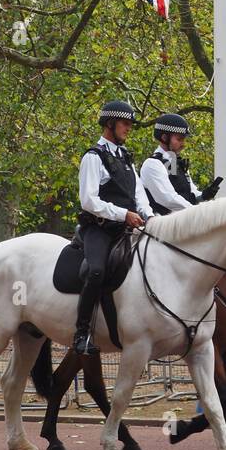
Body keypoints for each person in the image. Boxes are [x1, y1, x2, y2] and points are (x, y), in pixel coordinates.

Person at [73, 100, 153, 355]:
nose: (129, 128)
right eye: (125, 124)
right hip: (99, 229)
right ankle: (82, 333)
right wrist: (123, 214)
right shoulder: (93, 157)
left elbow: (138, 193)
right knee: (96, 271)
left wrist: (149, 217)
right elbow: (89, 200)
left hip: (126, 229)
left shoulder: (126, 158)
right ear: (110, 124)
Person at [140, 113, 222, 215]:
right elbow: (168, 199)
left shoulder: (177, 163)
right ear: (165, 138)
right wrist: (199, 213)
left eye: (184, 139)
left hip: (182, 222)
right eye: (179, 139)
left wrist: (203, 196)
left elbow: (190, 194)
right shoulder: (152, 164)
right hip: (160, 225)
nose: (183, 144)